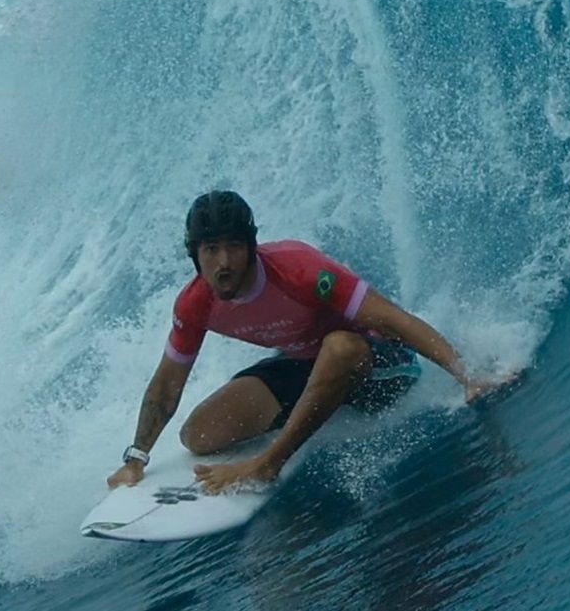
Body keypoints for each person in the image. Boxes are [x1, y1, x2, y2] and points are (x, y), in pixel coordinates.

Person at [106, 190, 514, 494]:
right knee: (199, 435)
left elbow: (395, 320)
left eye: (234, 247)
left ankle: (269, 462)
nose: (224, 262)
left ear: (251, 248)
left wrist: (467, 375)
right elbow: (166, 385)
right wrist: (136, 459)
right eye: (211, 250)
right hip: (303, 363)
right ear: (195, 254)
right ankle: (313, 411)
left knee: (339, 346)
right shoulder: (196, 303)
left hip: (376, 364)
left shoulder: (300, 271)